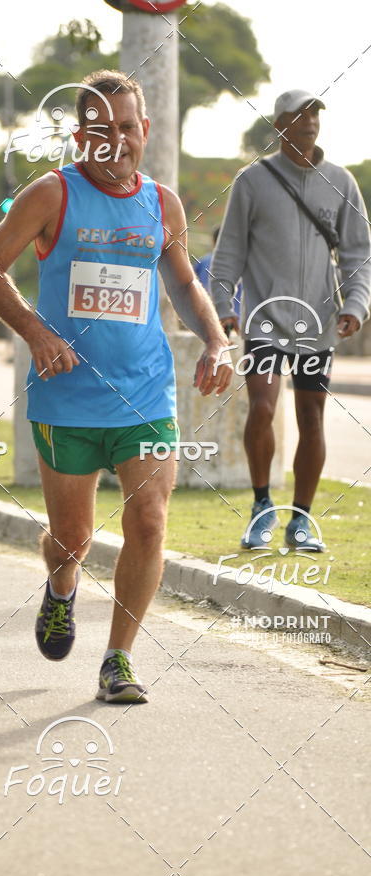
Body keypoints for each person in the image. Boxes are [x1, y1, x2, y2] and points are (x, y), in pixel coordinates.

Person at [0, 70, 232, 703]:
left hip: (143, 389)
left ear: (143, 130)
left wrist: (218, 339)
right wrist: (35, 333)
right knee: (73, 539)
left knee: (147, 520)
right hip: (67, 395)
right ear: (81, 135)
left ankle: (118, 660)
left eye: (127, 127)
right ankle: (62, 587)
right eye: (101, 129)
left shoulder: (162, 204)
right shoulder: (51, 195)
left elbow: (181, 282)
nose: (116, 140)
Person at [210, 90, 371, 551]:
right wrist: (224, 309)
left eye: (316, 115)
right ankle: (262, 508)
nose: (310, 123)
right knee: (261, 407)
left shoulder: (342, 181)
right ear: (280, 124)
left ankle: (301, 521)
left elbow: (360, 256)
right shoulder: (252, 181)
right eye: (300, 116)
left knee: (312, 419)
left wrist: (355, 306)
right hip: (263, 321)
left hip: (318, 325)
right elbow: (228, 257)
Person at [194, 226, 241, 323]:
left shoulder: (202, 262)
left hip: (208, 318)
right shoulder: (240, 262)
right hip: (237, 318)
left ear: (213, 241)